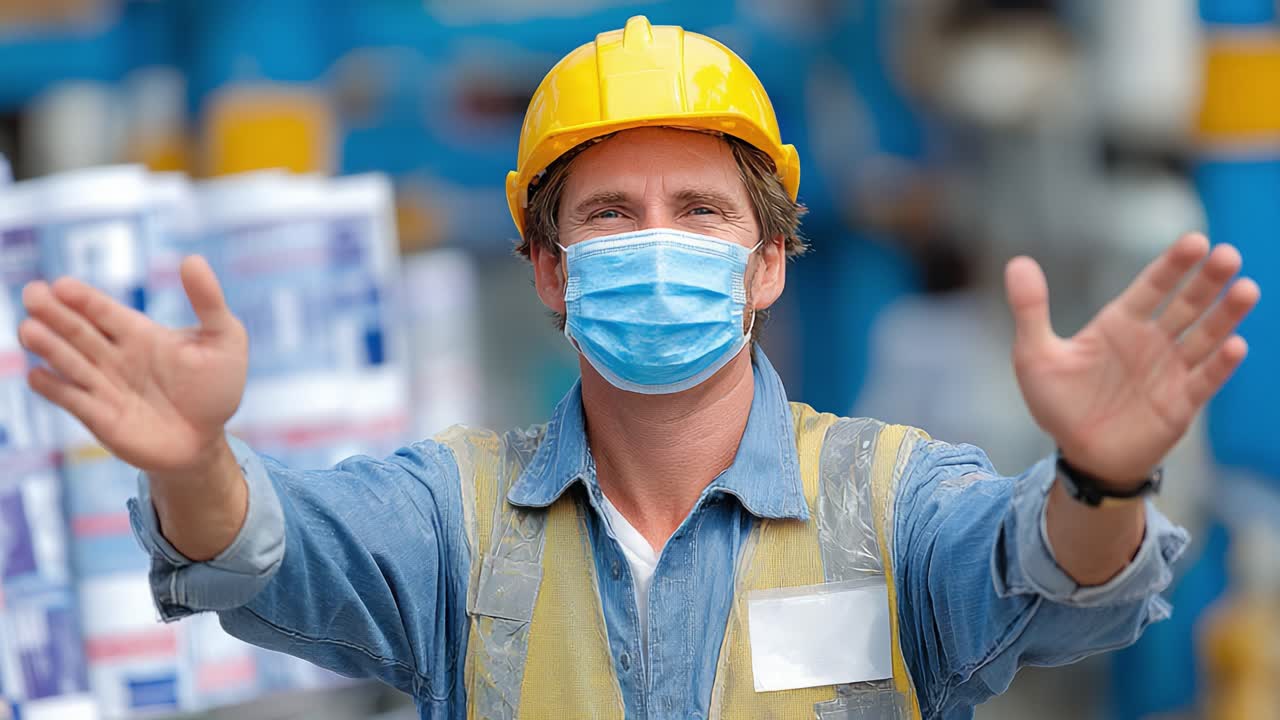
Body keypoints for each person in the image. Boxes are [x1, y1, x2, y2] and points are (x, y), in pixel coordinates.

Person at [14, 16, 1261, 720]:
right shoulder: (447, 522)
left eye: (698, 212)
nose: (654, 239)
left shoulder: (891, 501)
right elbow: (267, 547)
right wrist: (194, 462)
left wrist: (1100, 474)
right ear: (548, 271)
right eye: (607, 216)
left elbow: (1058, 583)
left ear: (768, 262)